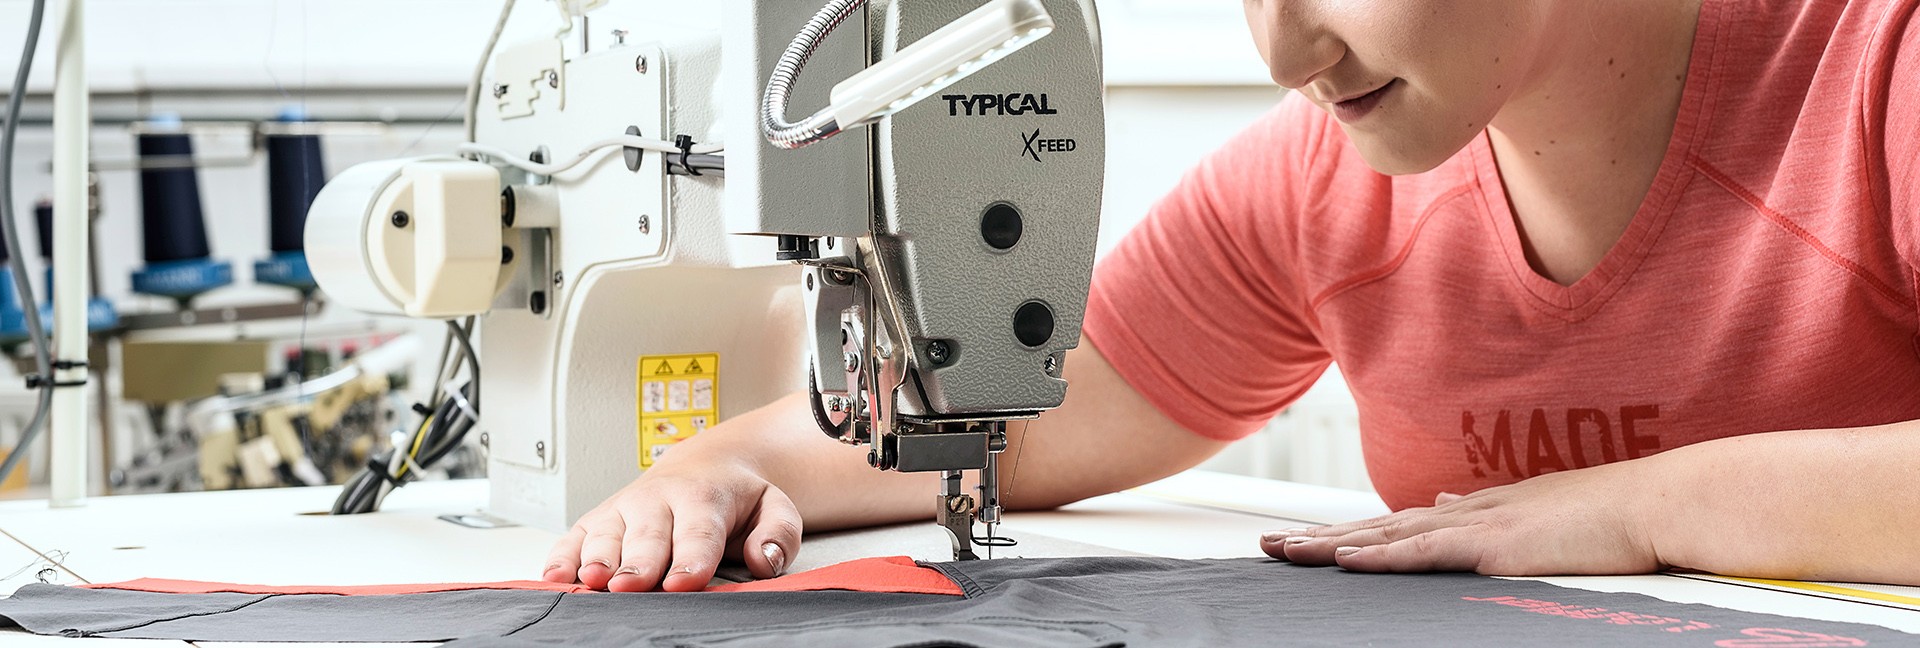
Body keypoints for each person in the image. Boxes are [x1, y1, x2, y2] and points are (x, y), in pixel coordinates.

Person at [543, 0, 1920, 592]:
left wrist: (1639, 506)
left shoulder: (1875, 69)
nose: (1283, 49)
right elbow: (1012, 416)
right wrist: (717, 468)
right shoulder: (1321, 185)